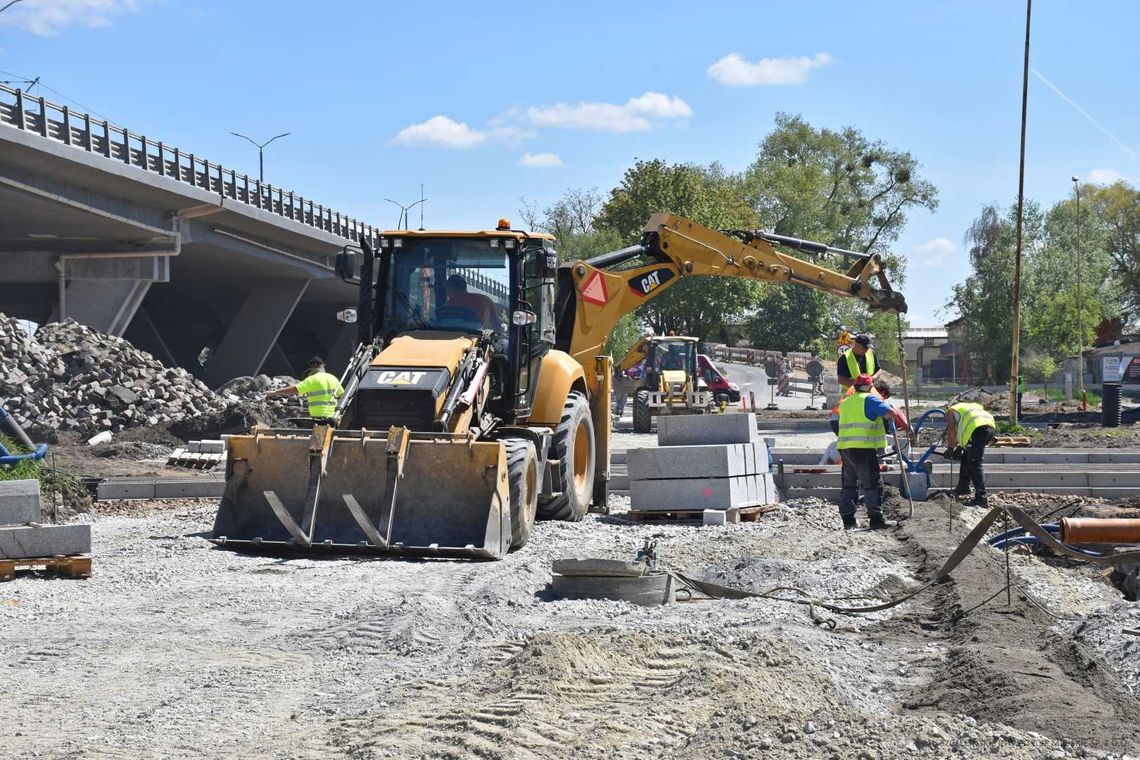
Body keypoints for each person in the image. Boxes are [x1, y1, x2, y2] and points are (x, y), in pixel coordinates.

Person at [836, 373, 906, 530]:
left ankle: (848, 521)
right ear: (869, 387)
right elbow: (890, 413)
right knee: (872, 484)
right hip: (863, 448)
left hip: (845, 448)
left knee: (849, 485)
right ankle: (876, 519)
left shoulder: (846, 402)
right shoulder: (869, 399)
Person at [946, 401, 997, 507]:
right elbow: (966, 428)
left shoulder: (951, 411)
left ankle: (981, 498)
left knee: (975, 463)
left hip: (978, 431)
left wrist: (950, 448)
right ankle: (963, 487)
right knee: (967, 455)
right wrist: (960, 447)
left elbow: (952, 430)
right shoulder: (972, 407)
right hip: (989, 428)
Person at [266, 356, 344, 420]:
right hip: (333, 417)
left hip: (319, 417)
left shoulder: (313, 379)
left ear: (314, 365)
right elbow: (342, 395)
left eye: (310, 366)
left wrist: (275, 392)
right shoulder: (333, 378)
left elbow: (295, 389)